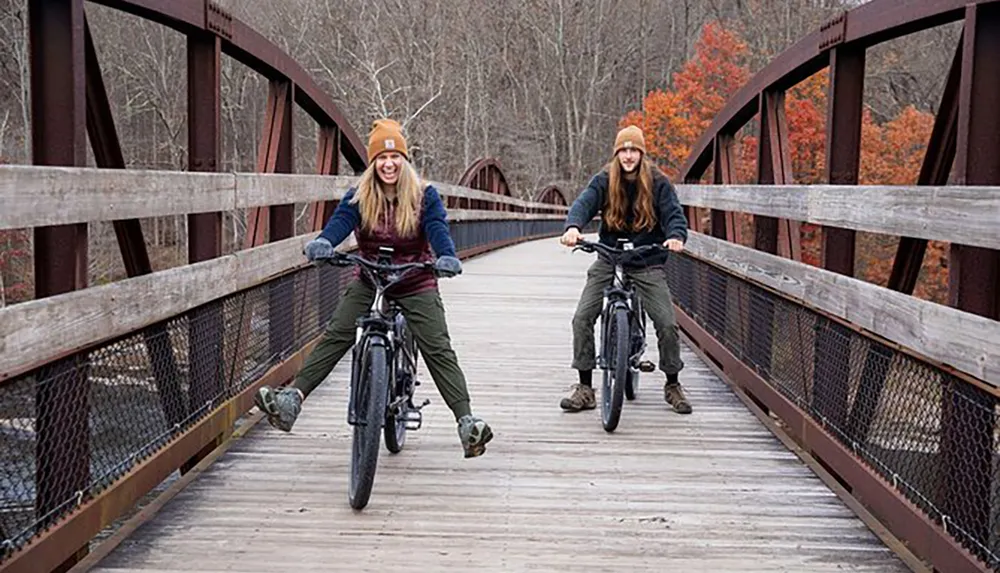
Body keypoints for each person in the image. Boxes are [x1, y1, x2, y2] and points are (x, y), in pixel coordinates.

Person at [254, 118, 493, 458]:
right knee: (338, 332)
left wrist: (448, 257)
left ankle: (467, 423)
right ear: (373, 162)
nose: (389, 163)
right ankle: (292, 400)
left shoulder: (425, 195)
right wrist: (324, 242)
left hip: (414, 279)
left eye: (395, 157)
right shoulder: (359, 195)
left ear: (405, 160)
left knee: (437, 346)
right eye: (381, 157)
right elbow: (340, 223)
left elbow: (437, 228)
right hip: (370, 276)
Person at [558, 125, 692, 415]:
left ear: (641, 153)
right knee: (582, 317)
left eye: (634, 150)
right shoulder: (605, 179)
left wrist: (676, 236)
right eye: (623, 150)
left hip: (646, 259)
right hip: (609, 256)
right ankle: (584, 387)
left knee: (667, 324)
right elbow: (584, 203)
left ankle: (672, 383)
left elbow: (673, 215)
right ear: (616, 153)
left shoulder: (657, 182)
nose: (628, 156)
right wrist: (573, 226)